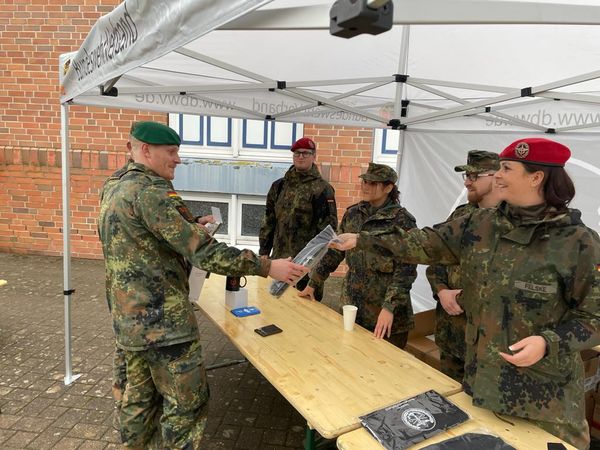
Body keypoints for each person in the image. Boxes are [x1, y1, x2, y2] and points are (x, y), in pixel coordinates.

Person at [331, 138, 600, 449]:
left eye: (507, 168)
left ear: (536, 177)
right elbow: (423, 243)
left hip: (546, 404)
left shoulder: (578, 243)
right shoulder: (480, 224)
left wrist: (547, 342)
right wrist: (362, 240)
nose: (497, 175)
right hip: (482, 386)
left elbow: (594, 316)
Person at [98, 121, 306, 449]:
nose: (178, 159)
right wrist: (267, 266)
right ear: (146, 150)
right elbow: (205, 252)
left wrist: (192, 224)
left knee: (136, 403)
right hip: (164, 326)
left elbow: (144, 237)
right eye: (171, 152)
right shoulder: (152, 192)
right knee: (186, 404)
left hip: (129, 323)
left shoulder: (116, 185)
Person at [299, 163, 417, 348]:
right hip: (352, 306)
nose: (365, 186)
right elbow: (334, 252)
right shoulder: (353, 214)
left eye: (373, 183)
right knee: (349, 358)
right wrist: (314, 283)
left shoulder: (402, 221)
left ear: (388, 187)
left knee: (384, 367)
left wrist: (389, 307)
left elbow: (406, 271)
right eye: (365, 181)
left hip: (384, 312)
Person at [426, 150, 500, 382]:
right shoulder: (461, 216)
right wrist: (441, 291)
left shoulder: (513, 222)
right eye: (466, 176)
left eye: (474, 176)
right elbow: (435, 259)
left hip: (488, 343)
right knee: (450, 403)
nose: (467, 182)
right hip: (452, 334)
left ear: (497, 176)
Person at [259, 137, 338, 300]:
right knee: (274, 312)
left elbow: (327, 234)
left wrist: (317, 273)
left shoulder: (323, 189)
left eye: (305, 153)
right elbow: (269, 221)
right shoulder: (279, 186)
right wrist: (264, 252)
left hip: (305, 267)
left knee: (305, 318)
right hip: (279, 262)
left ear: (314, 156)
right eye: (297, 153)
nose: (300, 156)